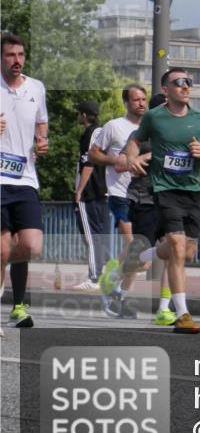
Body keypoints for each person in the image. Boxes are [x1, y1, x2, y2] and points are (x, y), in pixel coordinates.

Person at [126, 67, 200, 334]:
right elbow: (135, 141)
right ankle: (183, 314)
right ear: (166, 90)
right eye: (179, 82)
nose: (185, 86)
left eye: (188, 81)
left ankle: (142, 255)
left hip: (190, 189)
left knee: (186, 251)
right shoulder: (154, 117)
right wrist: (132, 158)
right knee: (177, 246)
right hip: (163, 188)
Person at [1, 33, 49, 329]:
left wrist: (42, 141)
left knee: (31, 245)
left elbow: (41, 122)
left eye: (20, 54)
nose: (17, 60)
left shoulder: (36, 88)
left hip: (26, 178)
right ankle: (17, 306)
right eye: (10, 55)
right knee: (3, 248)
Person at [90, 85, 146, 305]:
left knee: (138, 250)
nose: (141, 103)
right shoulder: (114, 126)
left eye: (143, 99)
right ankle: (112, 281)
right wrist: (116, 161)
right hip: (119, 192)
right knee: (134, 247)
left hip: (145, 194)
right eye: (136, 100)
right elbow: (94, 153)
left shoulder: (151, 128)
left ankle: (119, 293)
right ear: (126, 103)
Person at [71, 100, 108, 291]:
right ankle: (103, 277)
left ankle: (94, 278)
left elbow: (88, 164)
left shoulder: (89, 133)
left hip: (89, 192)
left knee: (91, 237)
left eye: (79, 113)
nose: (78, 116)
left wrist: (79, 191)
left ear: (84, 115)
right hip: (103, 190)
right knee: (100, 236)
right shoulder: (102, 132)